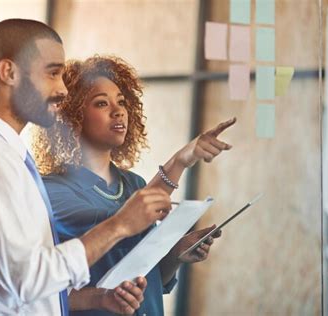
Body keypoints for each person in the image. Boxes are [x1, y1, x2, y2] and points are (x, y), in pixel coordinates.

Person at [0, 20, 173, 316]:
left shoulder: (8, 156)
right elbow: (25, 281)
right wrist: (120, 225)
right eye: (52, 73)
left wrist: (98, 299)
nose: (63, 90)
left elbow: (16, 276)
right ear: (8, 72)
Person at [34, 56, 236, 315]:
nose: (118, 111)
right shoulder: (51, 191)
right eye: (101, 103)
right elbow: (117, 224)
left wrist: (174, 254)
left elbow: (149, 278)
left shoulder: (134, 183)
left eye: (121, 102)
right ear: (72, 116)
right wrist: (179, 161)